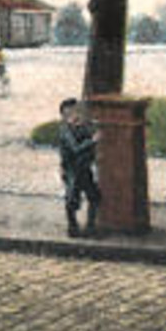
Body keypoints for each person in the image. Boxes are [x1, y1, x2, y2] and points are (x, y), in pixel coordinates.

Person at [58, 97, 101, 237]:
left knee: (94, 197)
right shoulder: (65, 131)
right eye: (72, 112)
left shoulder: (80, 126)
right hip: (72, 170)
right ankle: (72, 227)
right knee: (72, 200)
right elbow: (75, 148)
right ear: (65, 115)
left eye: (77, 111)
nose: (77, 115)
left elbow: (88, 132)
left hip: (84, 168)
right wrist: (92, 141)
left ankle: (90, 226)